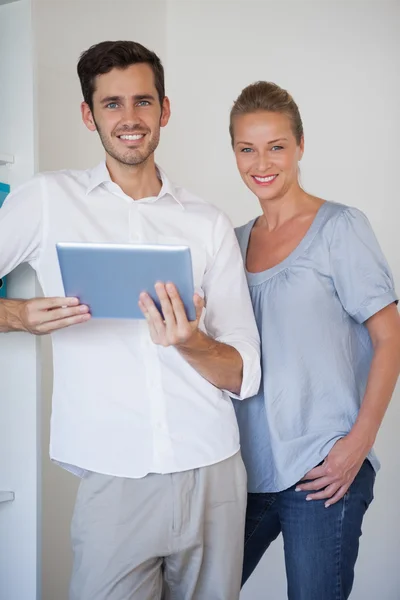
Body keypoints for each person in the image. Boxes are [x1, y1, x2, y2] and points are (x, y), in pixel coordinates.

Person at [0, 41, 261, 600]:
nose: (130, 118)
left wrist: (192, 343)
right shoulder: (47, 199)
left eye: (143, 102)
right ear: (88, 114)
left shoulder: (208, 223)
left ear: (164, 111)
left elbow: (244, 372)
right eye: (112, 104)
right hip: (112, 475)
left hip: (211, 471)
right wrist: (19, 314)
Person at [230, 81, 400, 600]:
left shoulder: (340, 227)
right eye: (247, 148)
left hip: (323, 469)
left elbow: (390, 337)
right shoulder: (231, 242)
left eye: (276, 145)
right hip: (245, 472)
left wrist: (358, 444)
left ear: (300, 146)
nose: (262, 161)